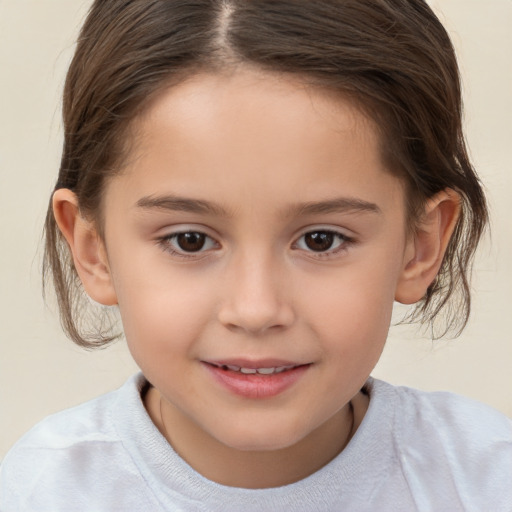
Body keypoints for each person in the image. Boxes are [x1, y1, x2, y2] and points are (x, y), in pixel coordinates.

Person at [1, 0, 511, 510]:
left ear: (419, 246)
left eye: (321, 239)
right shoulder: (38, 492)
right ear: (94, 251)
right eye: (189, 240)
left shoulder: (486, 480)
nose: (256, 309)